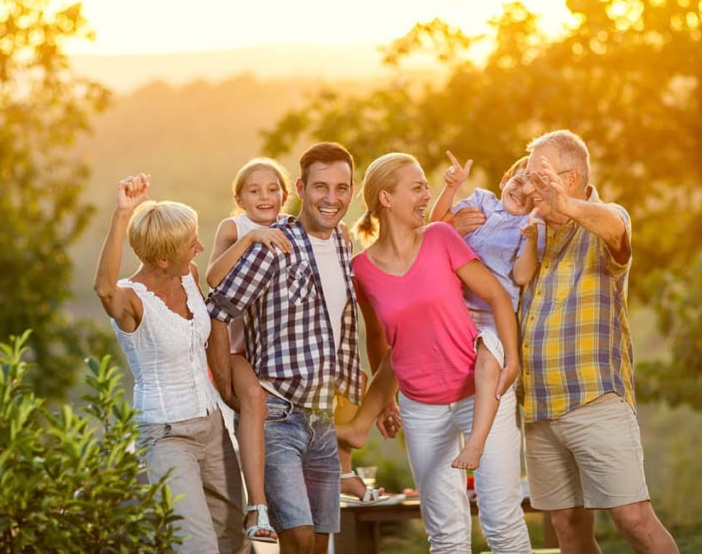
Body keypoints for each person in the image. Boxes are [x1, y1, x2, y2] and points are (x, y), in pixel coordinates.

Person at [344, 152, 532, 553]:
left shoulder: (440, 238)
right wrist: (386, 402)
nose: (425, 196)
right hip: (421, 409)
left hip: (480, 390)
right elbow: (379, 339)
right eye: (417, 188)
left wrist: (511, 359)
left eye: (426, 189)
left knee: (501, 524)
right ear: (386, 198)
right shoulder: (361, 269)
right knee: (446, 535)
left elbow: (497, 295)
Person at [517, 130, 679, 553]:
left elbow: (616, 228)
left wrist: (566, 207)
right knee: (568, 527)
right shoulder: (531, 234)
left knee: (633, 518)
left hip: (594, 401)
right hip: (539, 407)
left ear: (569, 179)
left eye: (538, 175)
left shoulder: (605, 219)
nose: (528, 184)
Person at [205, 142, 364, 554]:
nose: (332, 198)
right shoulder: (273, 245)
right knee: (297, 538)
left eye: (342, 188)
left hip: (324, 418)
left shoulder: (344, 244)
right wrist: (227, 387)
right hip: (278, 416)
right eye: (321, 187)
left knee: (323, 541)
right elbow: (217, 310)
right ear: (301, 187)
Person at [93, 174, 247, 554]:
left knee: (234, 539)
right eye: (189, 244)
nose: (198, 247)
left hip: (212, 424)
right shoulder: (131, 301)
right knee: (197, 546)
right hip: (166, 434)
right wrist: (122, 214)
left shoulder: (190, 276)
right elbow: (103, 288)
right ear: (162, 257)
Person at [425, 151, 543, 469]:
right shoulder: (481, 201)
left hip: (493, 317)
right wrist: (451, 187)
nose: (523, 193)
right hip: (457, 309)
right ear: (506, 179)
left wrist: (531, 240)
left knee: (489, 361)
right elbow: (434, 230)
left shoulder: (529, 227)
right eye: (519, 182)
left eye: (533, 196)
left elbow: (521, 276)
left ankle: (475, 445)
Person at [204, 158, 293, 544]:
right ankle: (257, 507)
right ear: (239, 198)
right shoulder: (233, 227)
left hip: (275, 347)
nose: (264, 197)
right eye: (254, 191)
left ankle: (343, 472)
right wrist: (250, 239)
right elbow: (212, 277)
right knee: (253, 396)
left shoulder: (292, 229)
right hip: (236, 349)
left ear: (285, 195)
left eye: (272, 189)